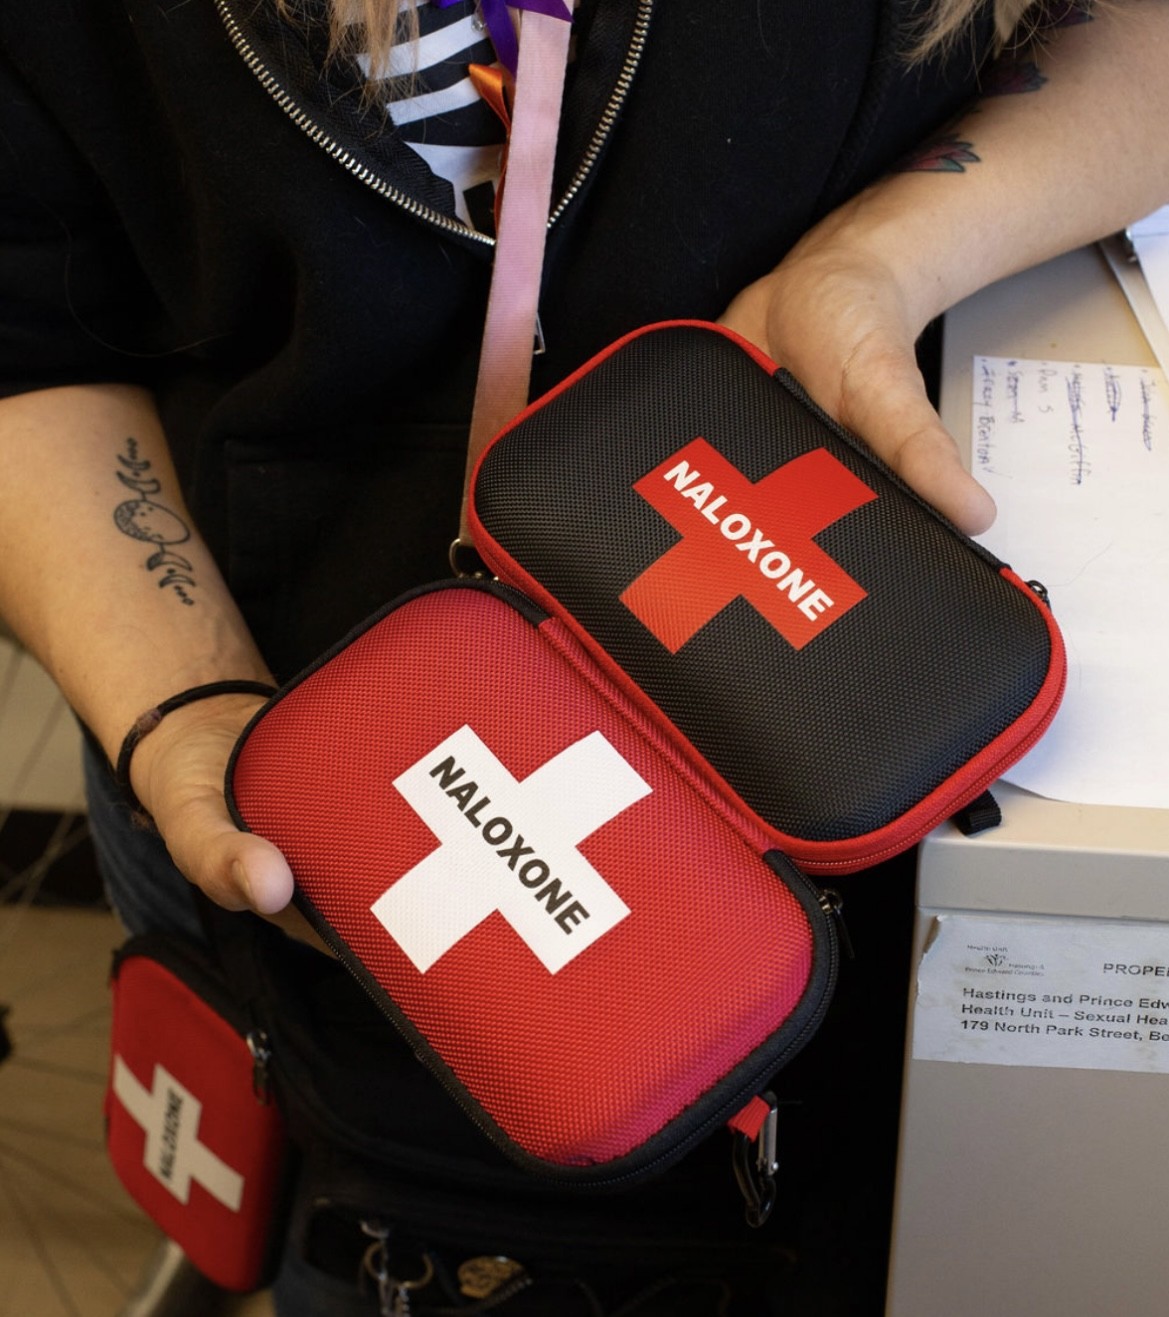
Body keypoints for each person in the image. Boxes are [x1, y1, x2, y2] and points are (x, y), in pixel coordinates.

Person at [1, 1, 1166, 1311]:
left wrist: (880, 258)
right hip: (275, 764)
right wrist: (181, 703)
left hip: (825, 887)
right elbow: (24, 330)